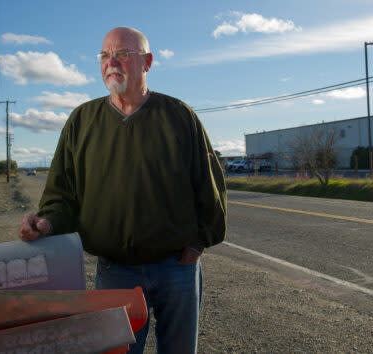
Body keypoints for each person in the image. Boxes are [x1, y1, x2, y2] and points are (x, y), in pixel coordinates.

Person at [18, 26, 226, 353]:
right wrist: (48, 223)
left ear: (147, 62)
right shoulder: (81, 121)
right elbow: (62, 195)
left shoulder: (179, 116)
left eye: (123, 54)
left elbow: (209, 185)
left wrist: (200, 241)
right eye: (105, 55)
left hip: (177, 268)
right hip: (115, 272)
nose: (111, 62)